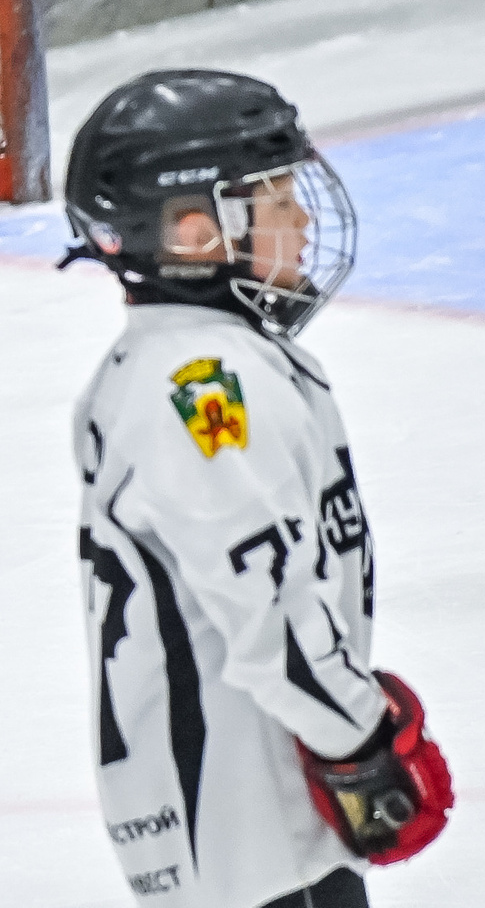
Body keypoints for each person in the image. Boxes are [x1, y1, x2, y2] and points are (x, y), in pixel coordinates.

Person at [60, 70, 453, 908]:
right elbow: (268, 619)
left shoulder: (172, 366)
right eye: (276, 200)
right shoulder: (206, 390)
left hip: (235, 825)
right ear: (199, 233)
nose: (304, 219)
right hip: (254, 830)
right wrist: (364, 741)